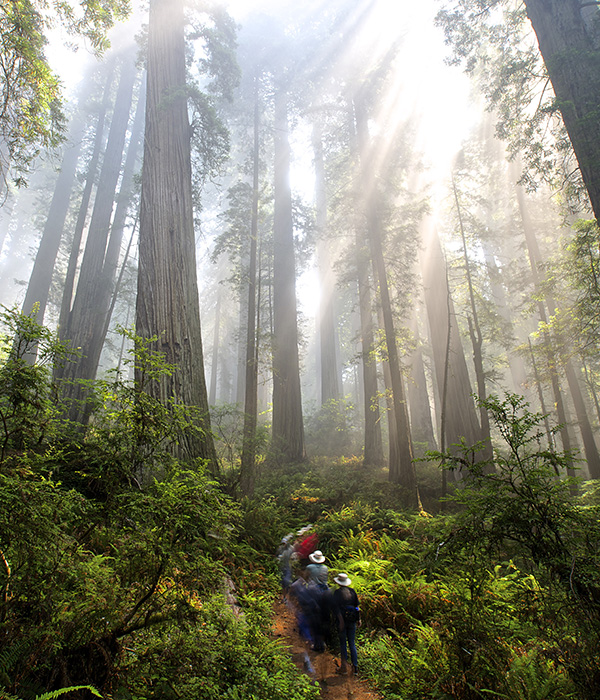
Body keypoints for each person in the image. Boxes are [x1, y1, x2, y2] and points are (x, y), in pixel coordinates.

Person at [333, 572, 360, 675]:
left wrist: (340, 621)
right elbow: (357, 607)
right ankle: (355, 668)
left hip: (342, 622)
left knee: (343, 644)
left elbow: (336, 609)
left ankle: (344, 667)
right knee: (352, 643)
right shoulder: (352, 592)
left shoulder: (337, 593)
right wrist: (359, 619)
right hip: (352, 621)